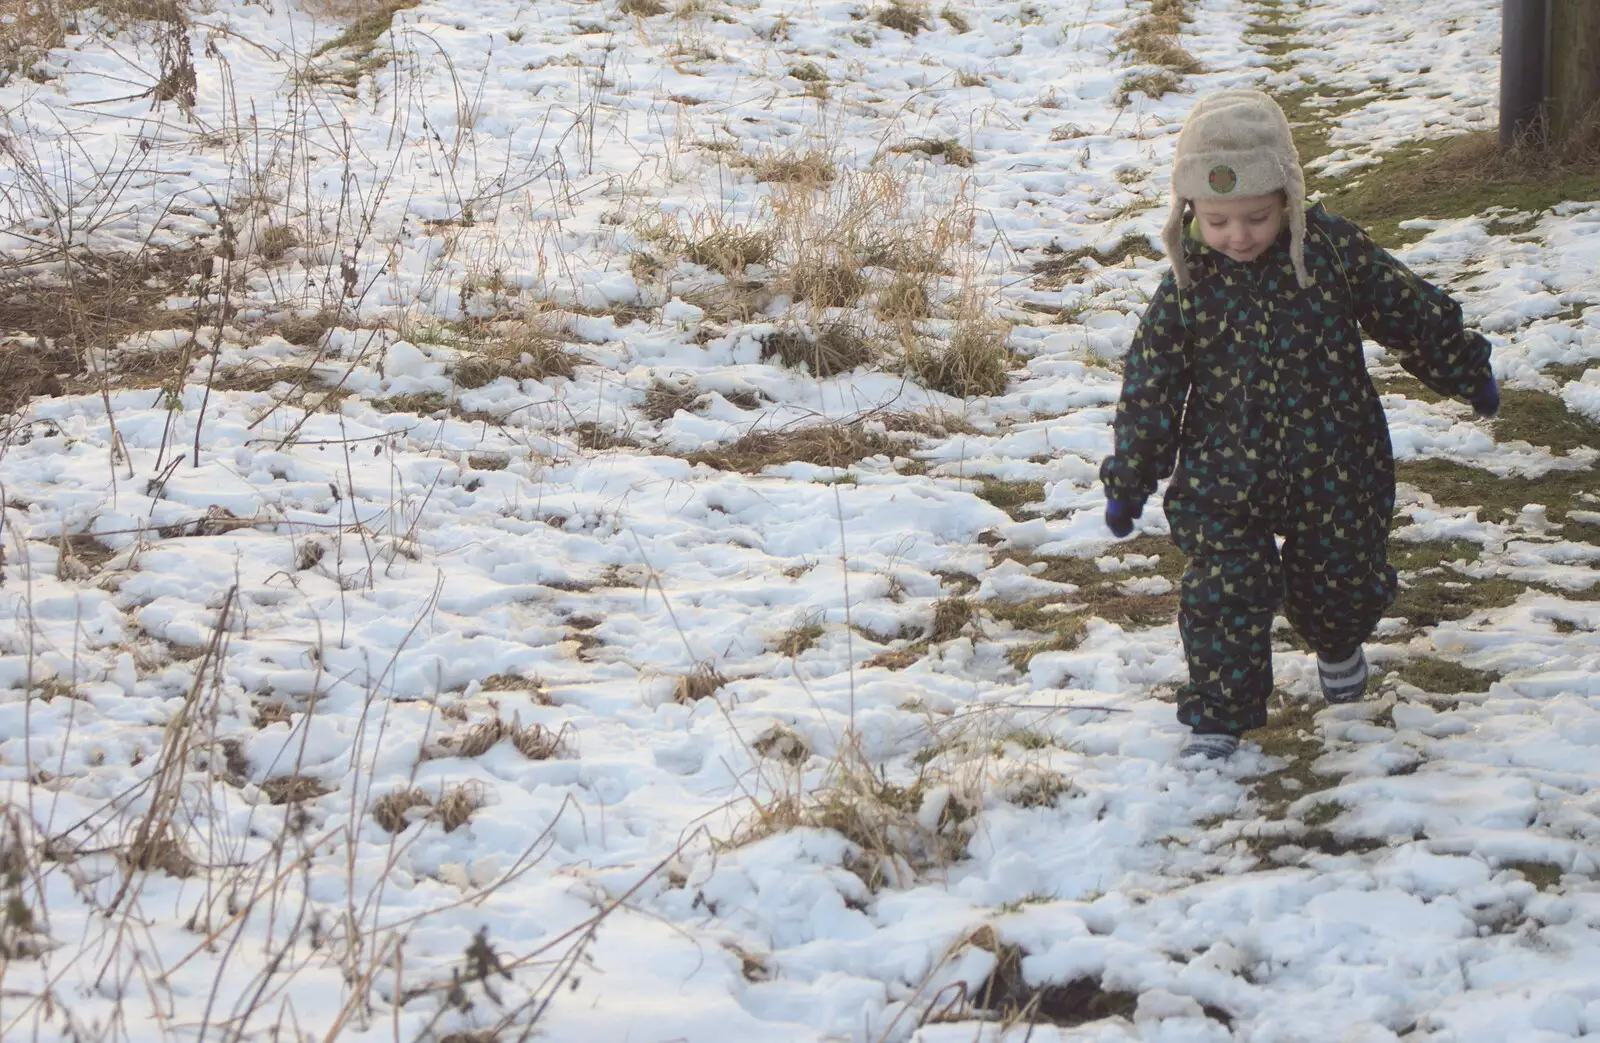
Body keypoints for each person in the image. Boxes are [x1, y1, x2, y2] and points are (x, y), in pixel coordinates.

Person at [1097, 90, 1498, 761]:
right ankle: (1220, 716)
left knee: (1338, 582)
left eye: (1256, 215)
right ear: (1189, 209)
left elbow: (1409, 308)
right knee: (1223, 589)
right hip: (1224, 478)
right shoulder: (1188, 286)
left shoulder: (1333, 253)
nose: (1238, 235)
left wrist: (1463, 368)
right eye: (1217, 219)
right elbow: (1151, 385)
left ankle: (1338, 641)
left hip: (1336, 464)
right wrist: (1131, 476)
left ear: (1289, 194)